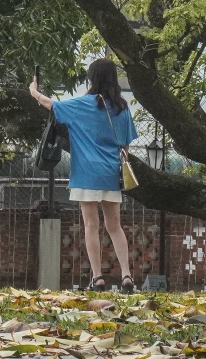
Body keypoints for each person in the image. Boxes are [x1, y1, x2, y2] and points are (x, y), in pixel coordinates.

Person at [29, 59, 138, 292]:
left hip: (86, 172)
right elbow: (126, 146)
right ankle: (127, 276)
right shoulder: (122, 108)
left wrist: (34, 92)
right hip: (111, 173)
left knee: (91, 225)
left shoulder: (82, 105)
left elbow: (52, 105)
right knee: (115, 227)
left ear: (92, 78)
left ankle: (98, 278)